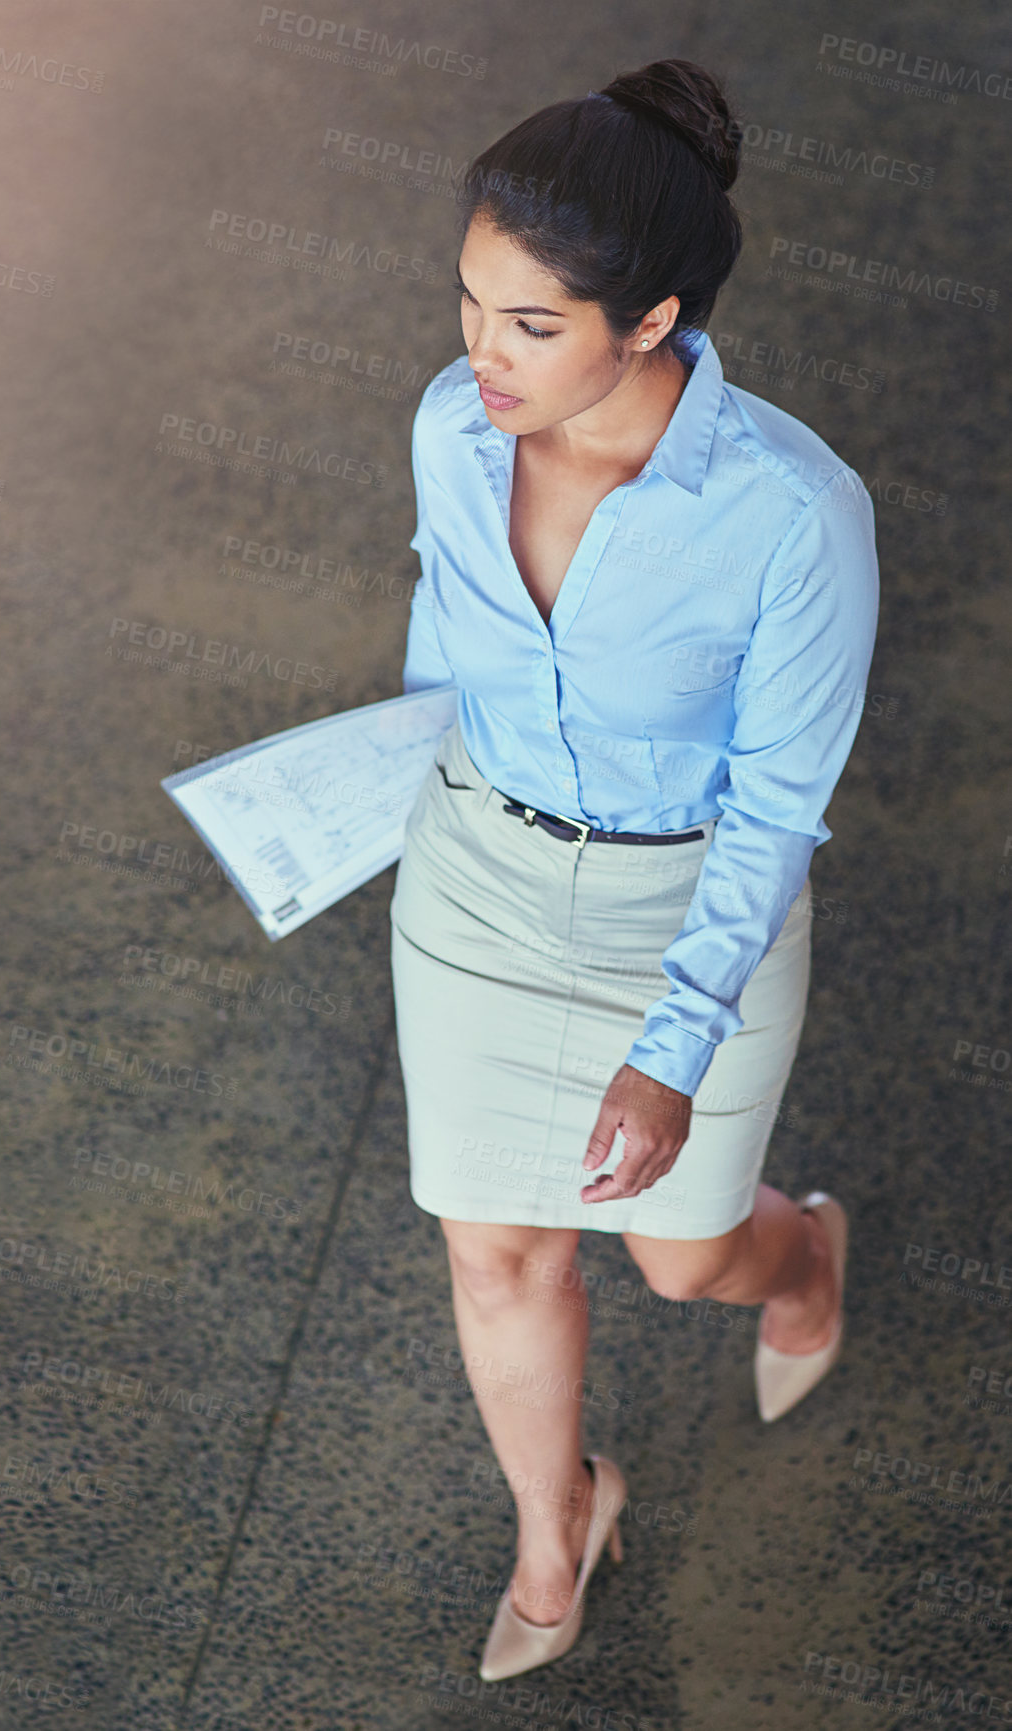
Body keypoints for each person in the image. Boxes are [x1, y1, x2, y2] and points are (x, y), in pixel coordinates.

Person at [389, 58, 879, 1683]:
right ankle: (558, 1525)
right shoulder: (454, 430)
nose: (483, 357)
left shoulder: (793, 518)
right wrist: (377, 785)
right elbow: (444, 630)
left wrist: (670, 1053)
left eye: (534, 326)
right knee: (497, 1243)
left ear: (653, 321)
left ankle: (801, 1250)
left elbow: (780, 808)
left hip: (693, 907)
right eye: (471, 304)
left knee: (684, 1260)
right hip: (480, 877)